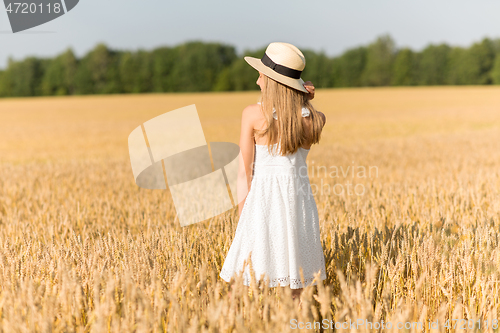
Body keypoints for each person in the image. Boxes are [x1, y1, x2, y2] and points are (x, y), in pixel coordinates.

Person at [219, 42, 327, 302]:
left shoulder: (253, 115)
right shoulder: (316, 119)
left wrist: (242, 216)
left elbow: (245, 172)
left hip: (262, 203)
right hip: (299, 204)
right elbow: (300, 110)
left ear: (272, 81)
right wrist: (304, 96)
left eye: (261, 76)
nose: (257, 81)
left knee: (241, 281)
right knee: (296, 283)